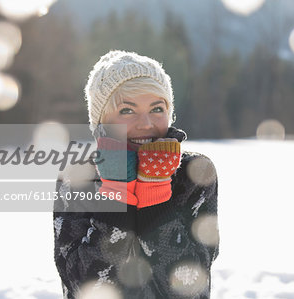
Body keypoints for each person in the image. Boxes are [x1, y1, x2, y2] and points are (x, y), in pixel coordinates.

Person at [53, 50, 220, 299]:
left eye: (157, 108)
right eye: (127, 111)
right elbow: (85, 288)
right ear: (101, 121)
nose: (145, 123)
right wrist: (116, 193)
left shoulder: (195, 173)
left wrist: (155, 192)